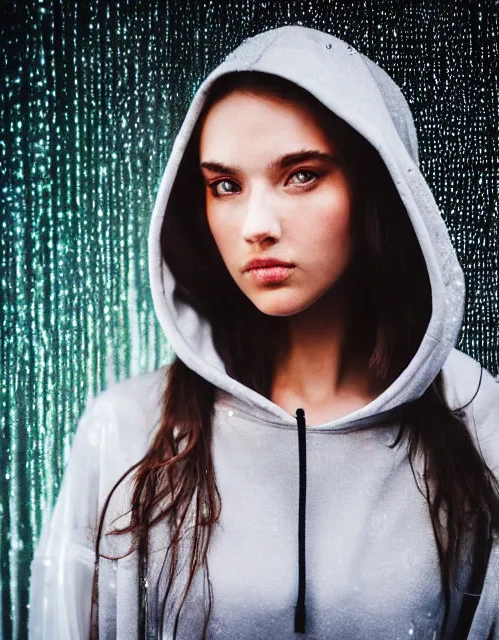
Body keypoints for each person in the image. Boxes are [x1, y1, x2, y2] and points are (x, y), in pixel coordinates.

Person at [28, 24, 499, 639]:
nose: (256, 224)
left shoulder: (481, 423)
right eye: (225, 185)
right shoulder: (126, 432)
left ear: (379, 187)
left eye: (301, 174)